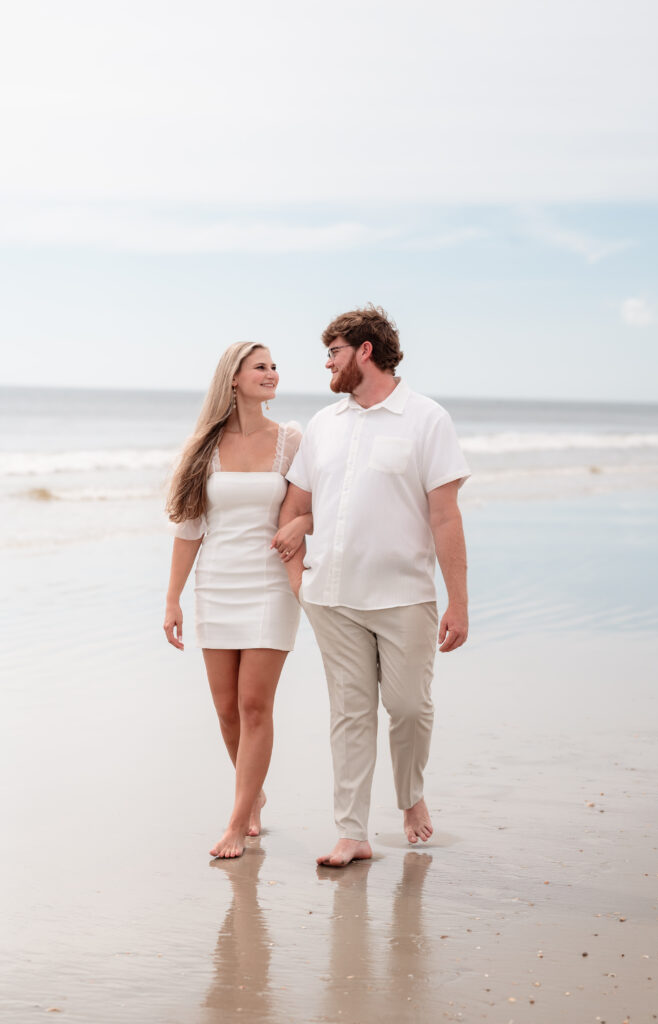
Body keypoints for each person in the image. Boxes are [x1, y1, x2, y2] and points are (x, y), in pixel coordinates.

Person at [278, 306, 470, 867]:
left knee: (409, 707)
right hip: (332, 599)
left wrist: (458, 602)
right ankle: (352, 832)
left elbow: (445, 518)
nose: (328, 365)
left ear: (364, 351)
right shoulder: (324, 423)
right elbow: (299, 506)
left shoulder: (427, 419)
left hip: (404, 595)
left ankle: (410, 796)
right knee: (350, 713)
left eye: (333, 353)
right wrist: (300, 583)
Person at [164, 342, 310, 859]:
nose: (272, 373)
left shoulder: (291, 440)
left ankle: (237, 818)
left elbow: (317, 503)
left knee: (254, 705)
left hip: (270, 584)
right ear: (233, 379)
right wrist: (173, 600)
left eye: (273, 366)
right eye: (260, 367)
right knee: (226, 711)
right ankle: (255, 791)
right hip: (216, 585)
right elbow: (189, 527)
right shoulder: (201, 446)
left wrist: (302, 523)